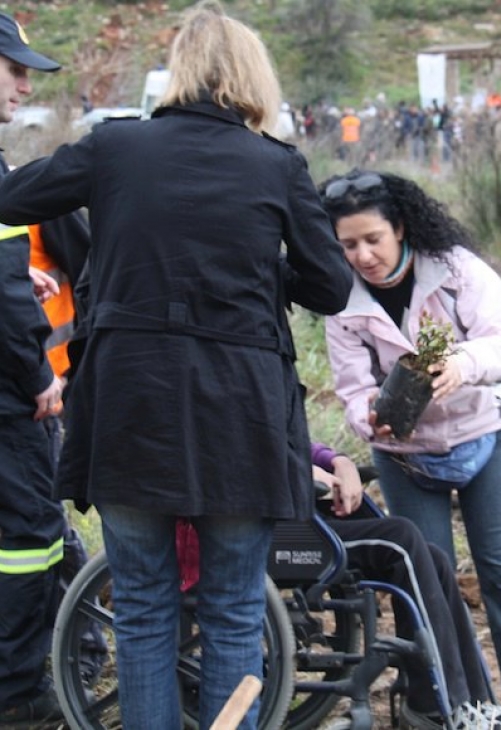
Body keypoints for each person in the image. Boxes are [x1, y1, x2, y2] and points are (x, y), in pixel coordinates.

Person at [0, 2, 352, 728]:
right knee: (231, 612)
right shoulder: (276, 163)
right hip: (240, 415)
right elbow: (331, 286)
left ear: (178, 71)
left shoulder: (115, 149)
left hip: (132, 405)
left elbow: (11, 197)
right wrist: (255, 272)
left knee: (141, 610)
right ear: (255, 76)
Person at [320, 169, 501, 730]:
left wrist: (462, 364)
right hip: (407, 455)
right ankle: (446, 704)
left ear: (401, 228)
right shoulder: (340, 296)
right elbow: (352, 386)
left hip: (489, 432)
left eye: (373, 240)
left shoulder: (457, 269)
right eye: (348, 244)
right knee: (425, 576)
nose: (362, 255)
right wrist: (368, 418)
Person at [311, 443, 501, 730]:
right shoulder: (243, 401)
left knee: (434, 558)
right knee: (401, 538)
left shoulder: (279, 399)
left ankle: (474, 704)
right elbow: (251, 455)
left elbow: (294, 442)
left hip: (308, 512)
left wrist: (339, 461)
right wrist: (301, 472)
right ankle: (441, 708)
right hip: (283, 532)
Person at [0, 11, 83, 726]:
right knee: (27, 540)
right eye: (14, 67)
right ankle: (20, 692)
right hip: (8, 403)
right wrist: (36, 375)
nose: (24, 84)